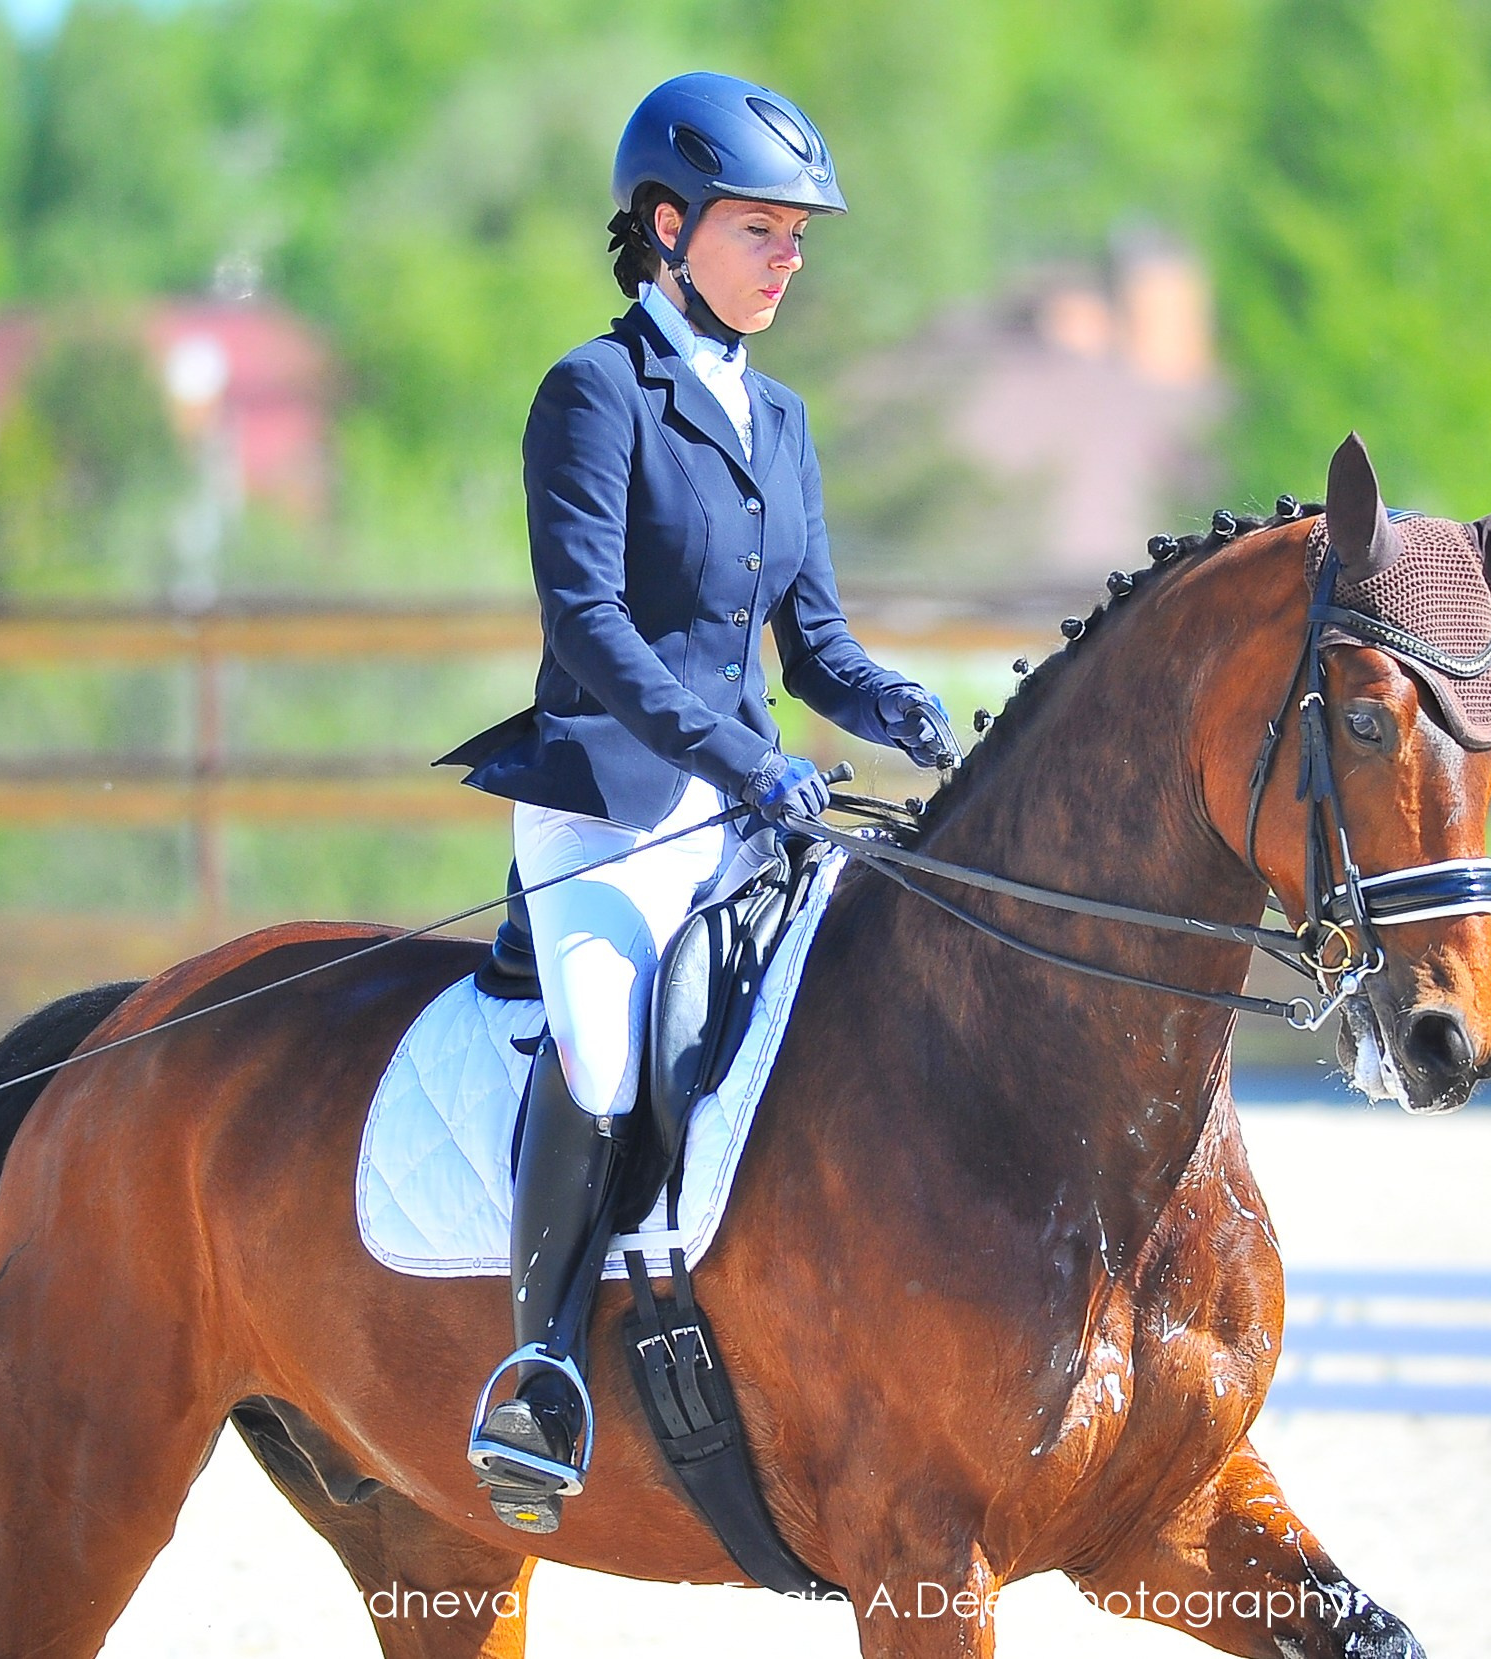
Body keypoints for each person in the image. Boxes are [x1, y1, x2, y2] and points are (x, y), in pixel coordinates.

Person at [435, 71, 960, 1533]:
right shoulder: (593, 394)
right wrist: (748, 761)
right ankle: (540, 1371)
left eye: (800, 238)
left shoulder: (779, 417)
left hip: (748, 819)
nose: (792, 260)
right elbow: (589, 626)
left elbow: (816, 646)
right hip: (611, 812)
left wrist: (895, 707)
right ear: (667, 227)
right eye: (762, 232)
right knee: (605, 1061)